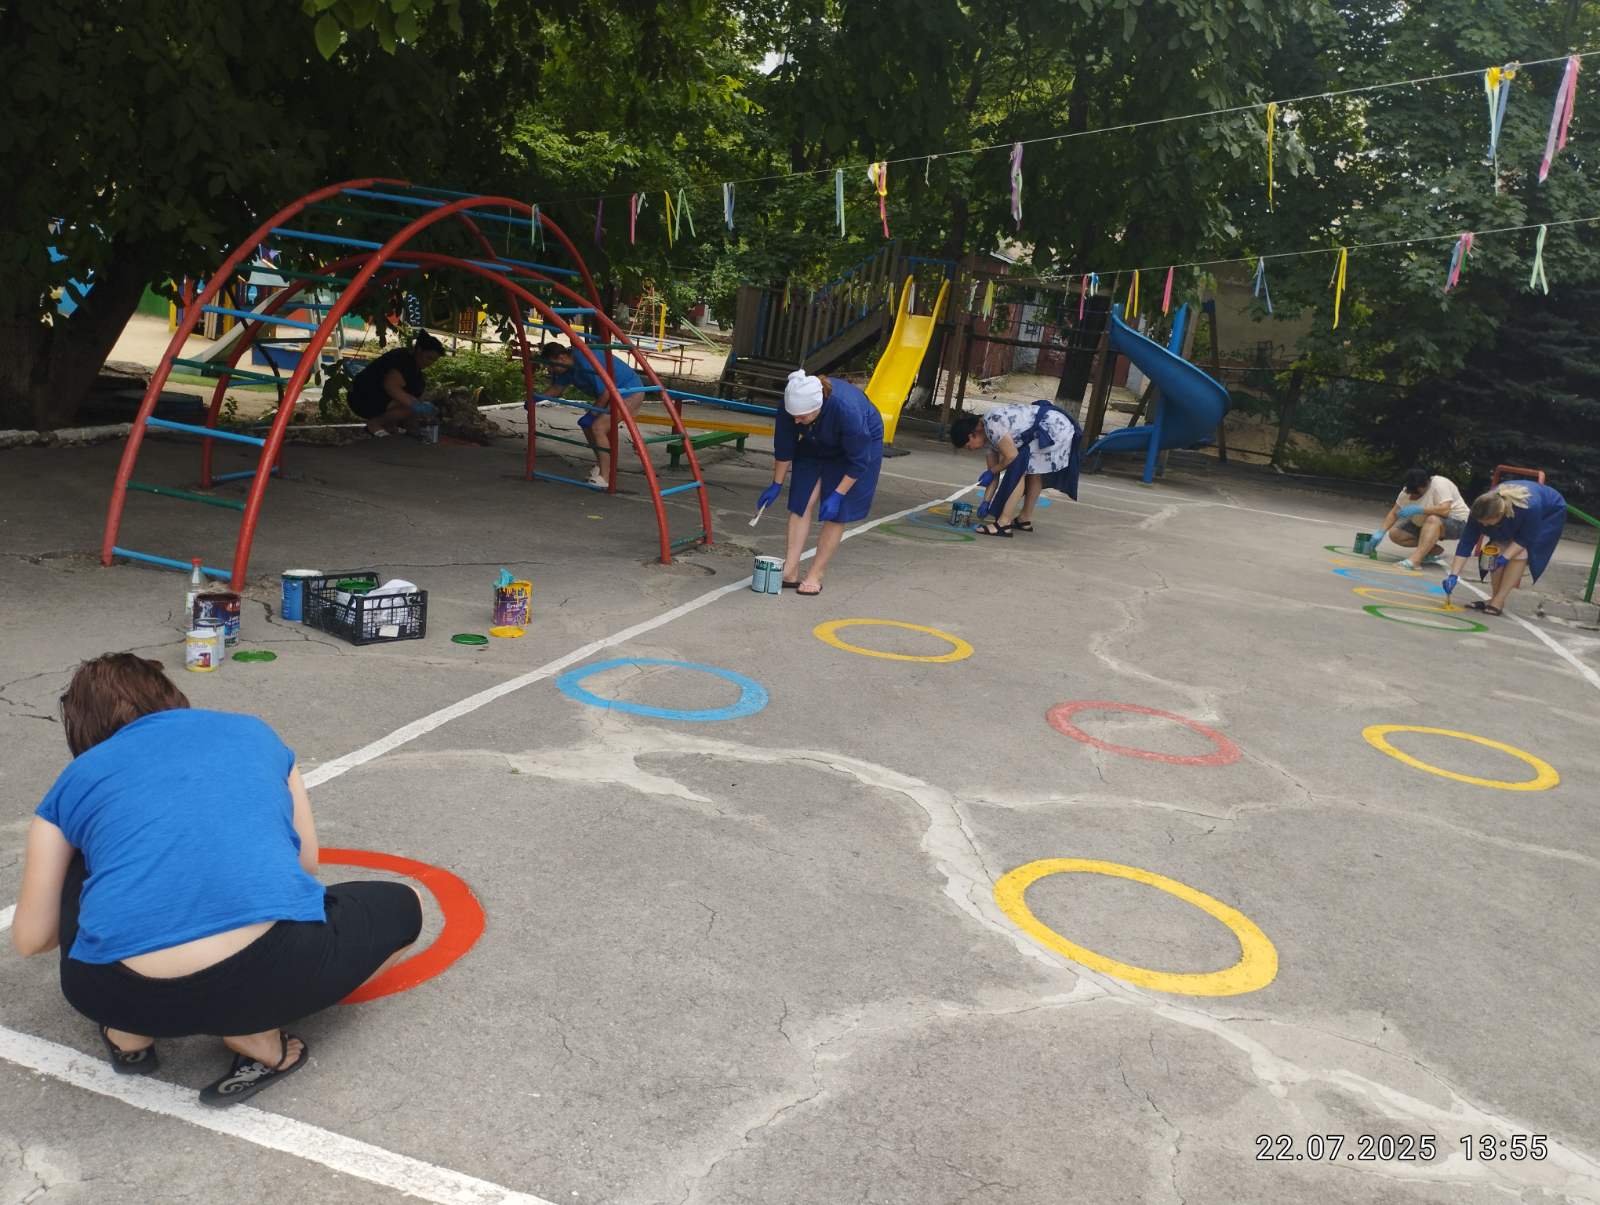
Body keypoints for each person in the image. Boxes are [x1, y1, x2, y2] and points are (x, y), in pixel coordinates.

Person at [11, 654, 423, 1107]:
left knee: (82, 855)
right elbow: (306, 864)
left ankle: (129, 1035)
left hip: (112, 993)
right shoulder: (254, 733)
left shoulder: (74, 781)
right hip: (269, 973)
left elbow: (33, 940)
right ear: (169, 696)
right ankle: (256, 1036)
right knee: (404, 906)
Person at [756, 369, 884, 596]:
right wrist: (776, 483)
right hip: (815, 440)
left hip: (856, 449)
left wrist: (838, 494)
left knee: (837, 513)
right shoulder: (791, 406)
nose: (796, 421)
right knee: (801, 500)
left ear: (818, 407)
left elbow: (859, 461)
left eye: (801, 417)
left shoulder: (847, 410)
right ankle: (790, 570)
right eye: (793, 416)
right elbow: (784, 446)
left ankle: (816, 573)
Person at [949, 401, 1082, 536]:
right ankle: (1024, 519)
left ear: (971, 435)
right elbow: (994, 474)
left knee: (1018, 470)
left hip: (1054, 428)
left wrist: (992, 471)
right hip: (1053, 426)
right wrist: (986, 502)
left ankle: (1003, 524)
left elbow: (1011, 457)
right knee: (1033, 472)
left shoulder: (992, 425)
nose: (971, 450)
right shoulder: (987, 441)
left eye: (968, 446)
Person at [1443, 481, 1568, 616]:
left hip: (1549, 514)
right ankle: (1495, 599)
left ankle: (1499, 600)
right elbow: (1466, 542)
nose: (1483, 525)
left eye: (1487, 522)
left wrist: (1505, 557)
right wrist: (1453, 575)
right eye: (1480, 522)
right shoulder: (1481, 509)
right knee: (1495, 549)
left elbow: (1524, 539)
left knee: (1520, 553)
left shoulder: (1530, 508)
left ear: (1500, 515)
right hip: (1517, 512)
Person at [541, 342, 647, 488]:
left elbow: (606, 391)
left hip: (629, 391)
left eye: (552, 365)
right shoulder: (568, 368)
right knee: (588, 426)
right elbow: (556, 389)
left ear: (561, 358)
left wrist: (593, 413)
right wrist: (534, 398)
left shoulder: (585, 360)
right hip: (613, 393)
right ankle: (602, 465)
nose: (550, 369)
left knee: (598, 427)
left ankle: (605, 477)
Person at [347, 330, 447, 437]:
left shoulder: (417, 371)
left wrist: (423, 406)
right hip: (362, 396)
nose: (430, 363)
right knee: (410, 407)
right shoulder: (403, 359)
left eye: (433, 361)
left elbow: (415, 395)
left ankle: (389, 424)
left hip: (376, 397)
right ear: (419, 350)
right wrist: (417, 406)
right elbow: (390, 386)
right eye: (429, 358)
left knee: (413, 405)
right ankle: (375, 424)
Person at [1369, 466, 1470, 570]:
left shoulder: (1440, 484)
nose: (1412, 497)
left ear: (1423, 487)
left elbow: (1445, 510)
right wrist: (1381, 532)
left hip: (1458, 522)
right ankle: (1432, 550)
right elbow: (1395, 513)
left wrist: (1420, 509)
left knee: (1432, 519)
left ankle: (1415, 561)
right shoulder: (1407, 490)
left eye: (1415, 494)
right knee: (1395, 534)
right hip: (1425, 521)